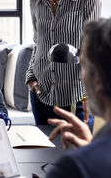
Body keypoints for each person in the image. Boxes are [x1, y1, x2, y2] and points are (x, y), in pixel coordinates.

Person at [24, 0, 101, 126]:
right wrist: (31, 77)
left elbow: (91, 47)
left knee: (76, 153)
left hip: (76, 96)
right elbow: (37, 43)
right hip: (42, 94)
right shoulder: (36, 0)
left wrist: (90, 90)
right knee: (43, 155)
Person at [46, 18, 111, 178]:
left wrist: (88, 157)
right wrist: (92, 147)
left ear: (96, 80)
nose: (82, 77)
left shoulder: (73, 168)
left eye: (83, 66)